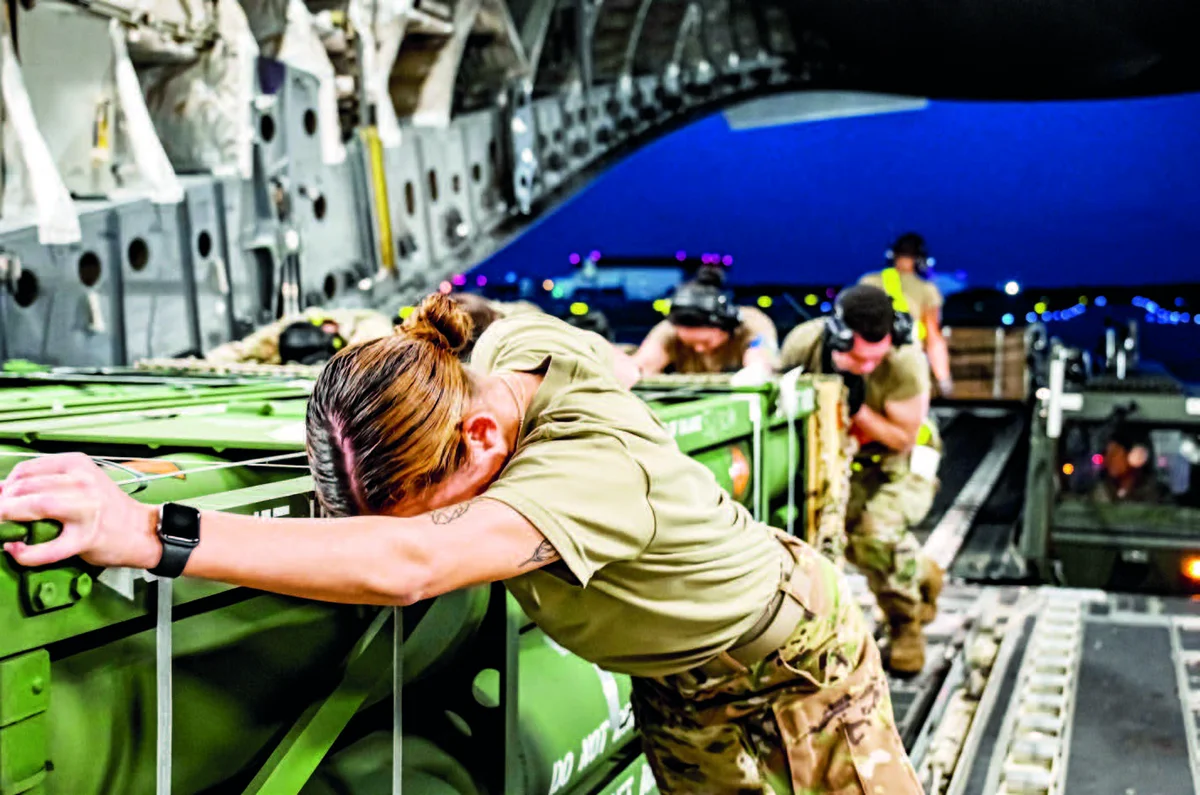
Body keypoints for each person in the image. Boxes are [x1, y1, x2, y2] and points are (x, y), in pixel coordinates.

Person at [1, 294, 922, 794]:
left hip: (790, 668)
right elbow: (460, 311)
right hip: (676, 683)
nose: (413, 522)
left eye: (420, 502)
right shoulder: (505, 354)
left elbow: (411, 564)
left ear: (480, 442)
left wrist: (145, 528)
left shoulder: (588, 469)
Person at [780, 284, 943, 676]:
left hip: (899, 462)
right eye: (857, 358)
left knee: (874, 534)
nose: (868, 367)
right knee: (832, 537)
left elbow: (902, 437)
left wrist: (846, 403)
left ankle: (906, 625)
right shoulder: (806, 344)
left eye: (876, 359)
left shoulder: (905, 362)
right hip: (834, 456)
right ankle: (920, 571)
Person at [633, 266, 779, 384]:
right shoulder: (669, 330)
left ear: (726, 329)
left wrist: (755, 370)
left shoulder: (751, 323)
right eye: (690, 343)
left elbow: (760, 360)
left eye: (705, 342)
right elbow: (643, 365)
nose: (699, 349)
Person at [859, 233, 954, 397]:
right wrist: (944, 380)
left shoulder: (868, 282)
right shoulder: (927, 290)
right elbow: (933, 337)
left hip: (869, 364)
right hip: (907, 364)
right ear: (921, 259)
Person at [206, 307, 395, 365]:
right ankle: (205, 362)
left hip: (347, 355)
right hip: (331, 336)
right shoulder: (375, 325)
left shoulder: (378, 330)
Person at [1092, 424, 1169, 503]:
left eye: (1114, 456)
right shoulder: (1100, 490)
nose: (1108, 460)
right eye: (1108, 455)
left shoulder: (1148, 490)